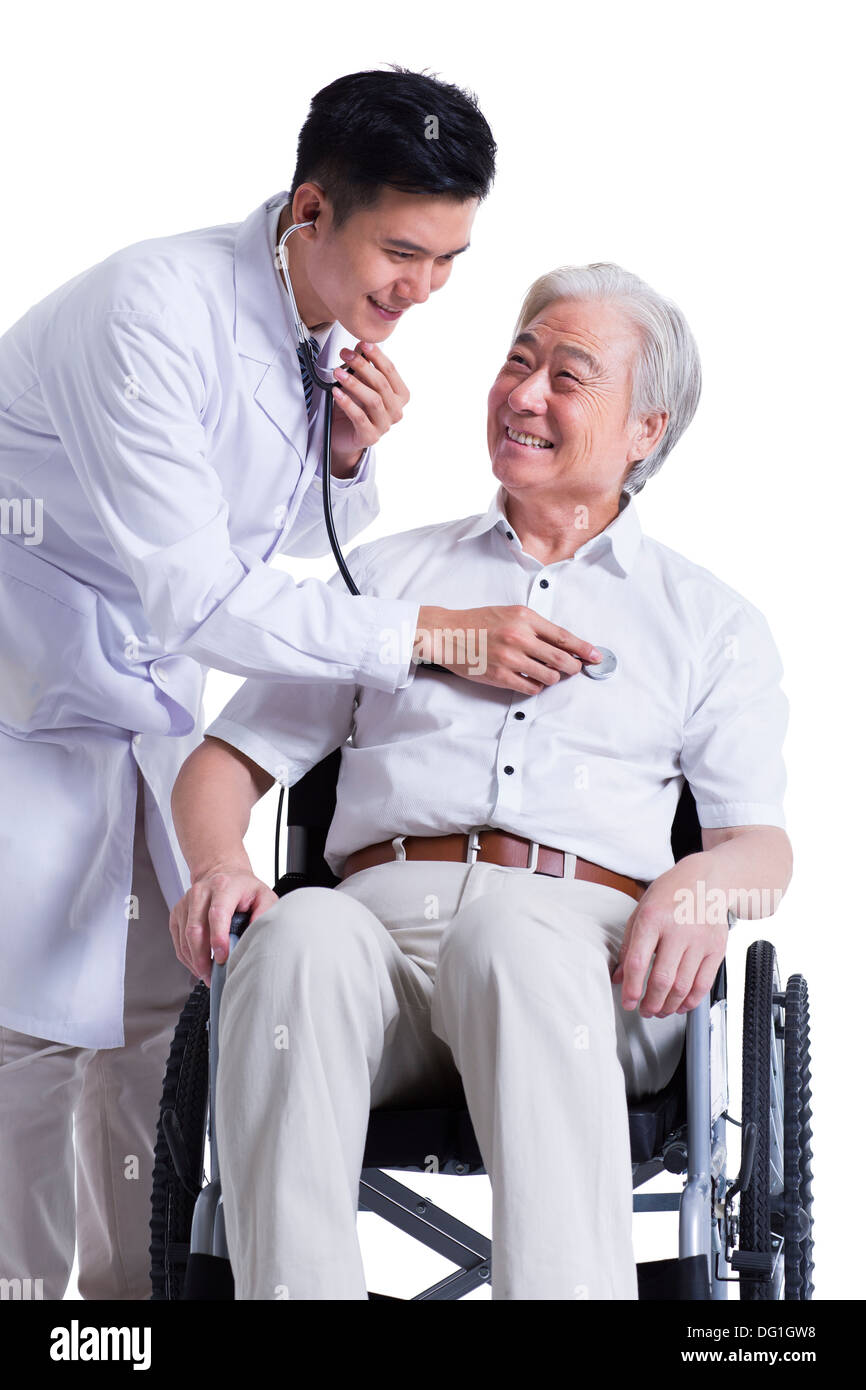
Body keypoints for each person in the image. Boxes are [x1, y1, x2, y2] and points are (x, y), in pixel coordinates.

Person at [0, 67, 598, 1304]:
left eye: (449, 258)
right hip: (28, 681)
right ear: (310, 210)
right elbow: (203, 596)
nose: (423, 289)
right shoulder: (150, 312)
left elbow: (262, 539)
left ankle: (134, 1308)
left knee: (157, 1027)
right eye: (403, 250)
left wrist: (343, 458)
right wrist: (431, 635)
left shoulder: (314, 317)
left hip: (137, 690)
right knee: (29, 1037)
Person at [169, 263, 794, 1299]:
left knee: (509, 937)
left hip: (586, 966)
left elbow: (759, 850)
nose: (524, 392)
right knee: (295, 936)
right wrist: (219, 863)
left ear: (644, 430)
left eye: (566, 375)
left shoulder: (707, 621)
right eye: (516, 360)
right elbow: (225, 762)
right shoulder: (389, 578)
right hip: (377, 960)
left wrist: (699, 887)